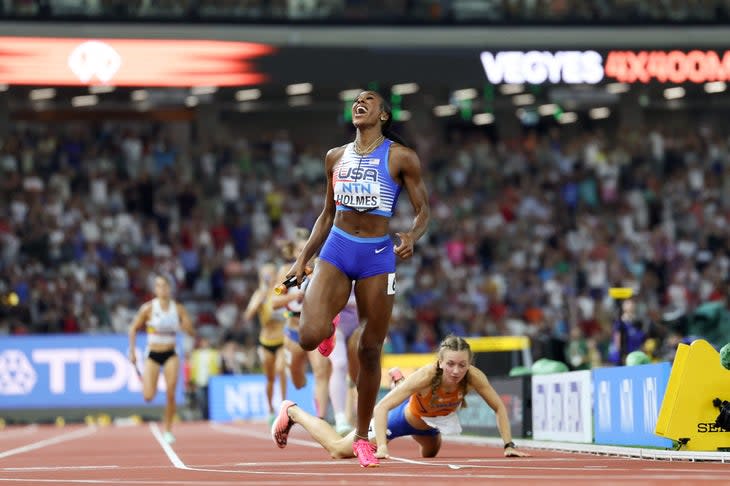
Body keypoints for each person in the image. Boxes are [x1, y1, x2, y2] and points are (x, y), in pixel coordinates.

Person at [284, 90, 430, 467]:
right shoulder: (335, 156)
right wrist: (303, 259)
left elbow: (423, 210)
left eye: (369, 100)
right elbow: (326, 214)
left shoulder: (400, 157)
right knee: (307, 336)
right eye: (355, 101)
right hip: (337, 247)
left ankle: (362, 436)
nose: (359, 103)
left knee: (369, 349)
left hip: (377, 256)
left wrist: (412, 237)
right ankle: (330, 325)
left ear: (383, 115)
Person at [271, 335, 530, 465]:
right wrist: (382, 446)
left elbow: (498, 406)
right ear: (440, 362)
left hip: (430, 425)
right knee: (339, 450)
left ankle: (398, 382)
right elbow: (382, 407)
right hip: (399, 419)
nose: (455, 371)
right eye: (450, 364)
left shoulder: (473, 377)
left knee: (430, 455)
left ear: (469, 364)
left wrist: (508, 444)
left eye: (462, 365)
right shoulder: (427, 375)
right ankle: (293, 411)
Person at [128, 274, 196, 444]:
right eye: (158, 286)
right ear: (155, 289)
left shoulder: (178, 309)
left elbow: (192, 332)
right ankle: (148, 380)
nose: (162, 289)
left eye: (165, 286)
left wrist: (185, 327)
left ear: (170, 288)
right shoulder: (148, 308)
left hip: (170, 353)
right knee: (149, 396)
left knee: (171, 393)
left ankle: (167, 430)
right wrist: (132, 351)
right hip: (153, 354)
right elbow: (133, 328)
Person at [274, 230, 332, 421]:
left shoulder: (322, 270)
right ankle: (300, 380)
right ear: (294, 253)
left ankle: (321, 418)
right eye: (300, 250)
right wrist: (293, 296)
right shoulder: (285, 272)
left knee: (321, 371)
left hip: (315, 327)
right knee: (297, 380)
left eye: (308, 249)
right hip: (293, 331)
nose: (305, 254)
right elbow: (273, 302)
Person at [244, 262, 287, 423]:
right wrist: (256, 305)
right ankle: (270, 409)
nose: (269, 278)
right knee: (270, 377)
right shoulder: (259, 294)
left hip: (283, 338)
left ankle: (284, 407)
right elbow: (247, 316)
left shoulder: (281, 291)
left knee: (281, 369)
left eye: (271, 274)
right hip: (266, 341)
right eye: (266, 275)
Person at [328, 288, 362, 435]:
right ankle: (340, 418)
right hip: (336, 325)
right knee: (340, 364)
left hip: (360, 324)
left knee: (363, 370)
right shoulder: (333, 265)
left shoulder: (367, 266)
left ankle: (363, 417)